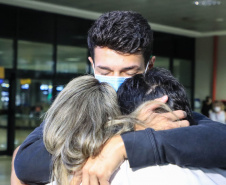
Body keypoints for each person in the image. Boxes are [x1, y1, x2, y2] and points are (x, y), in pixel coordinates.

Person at [14, 11, 226, 185]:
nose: (115, 80)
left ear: (149, 66)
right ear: (92, 65)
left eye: (128, 72)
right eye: (105, 72)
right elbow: (28, 161)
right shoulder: (78, 108)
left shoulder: (157, 106)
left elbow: (217, 139)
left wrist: (124, 146)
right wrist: (130, 131)